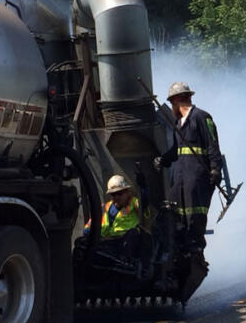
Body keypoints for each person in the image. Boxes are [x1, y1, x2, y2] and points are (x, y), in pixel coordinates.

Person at [154, 81, 222, 251]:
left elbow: (212, 145)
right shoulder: (178, 124)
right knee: (177, 215)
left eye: (171, 103)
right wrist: (163, 160)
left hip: (196, 176)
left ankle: (196, 247)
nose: (171, 107)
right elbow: (177, 150)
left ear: (177, 100)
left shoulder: (202, 117)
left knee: (195, 213)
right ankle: (182, 250)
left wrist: (215, 169)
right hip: (179, 177)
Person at [84, 174, 142, 239]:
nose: (116, 197)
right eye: (113, 194)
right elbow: (88, 228)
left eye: (119, 193)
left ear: (127, 192)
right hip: (108, 242)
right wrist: (88, 232)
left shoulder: (133, 202)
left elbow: (144, 207)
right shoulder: (105, 207)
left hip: (127, 241)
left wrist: (143, 190)